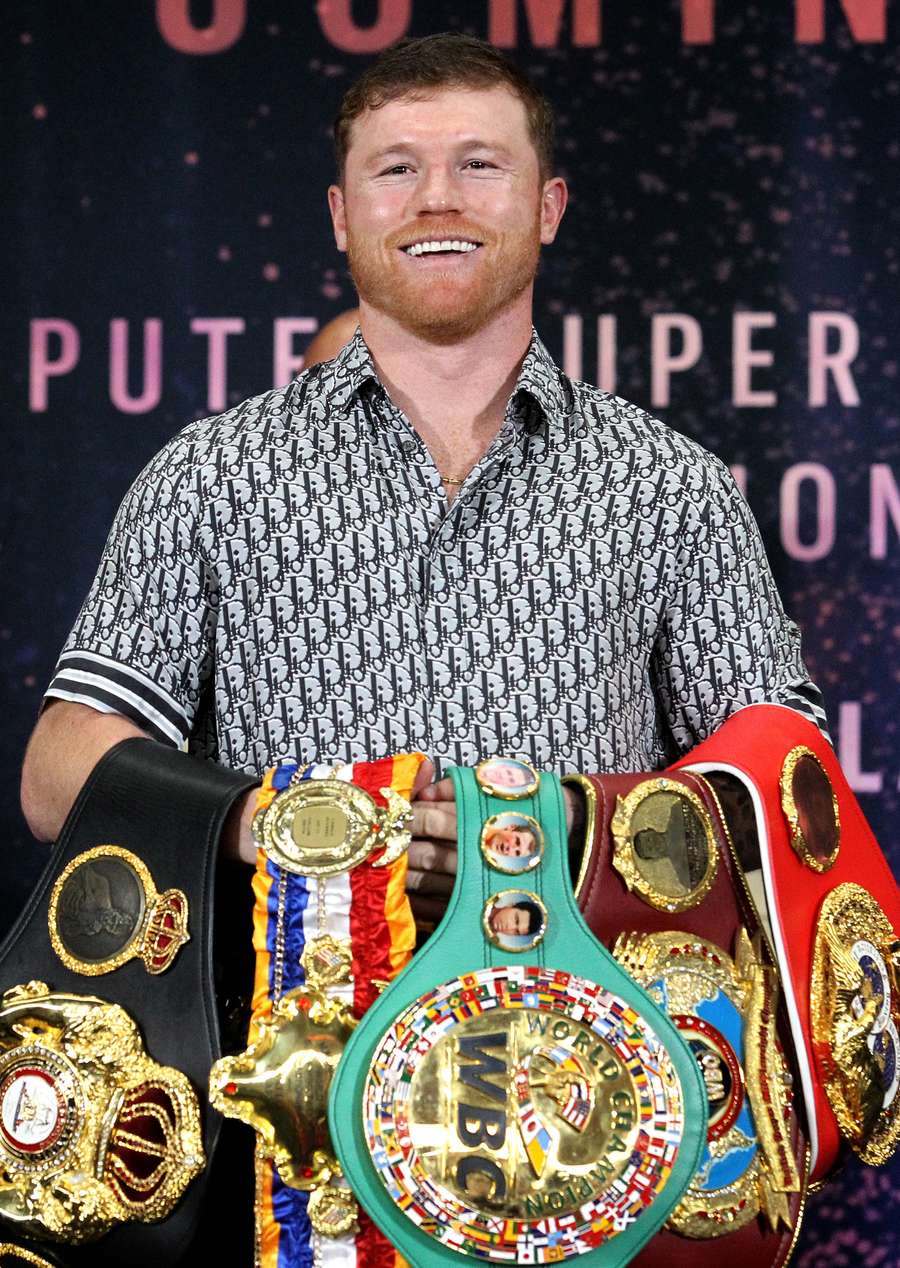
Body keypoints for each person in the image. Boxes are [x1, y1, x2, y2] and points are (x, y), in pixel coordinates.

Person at [20, 33, 827, 926]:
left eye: (479, 164)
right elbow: (58, 772)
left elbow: (791, 776)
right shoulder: (212, 476)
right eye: (396, 170)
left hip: (595, 1035)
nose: (437, 198)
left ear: (548, 205)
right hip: (291, 1039)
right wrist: (279, 824)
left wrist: (580, 821)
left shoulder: (670, 485)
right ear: (340, 215)